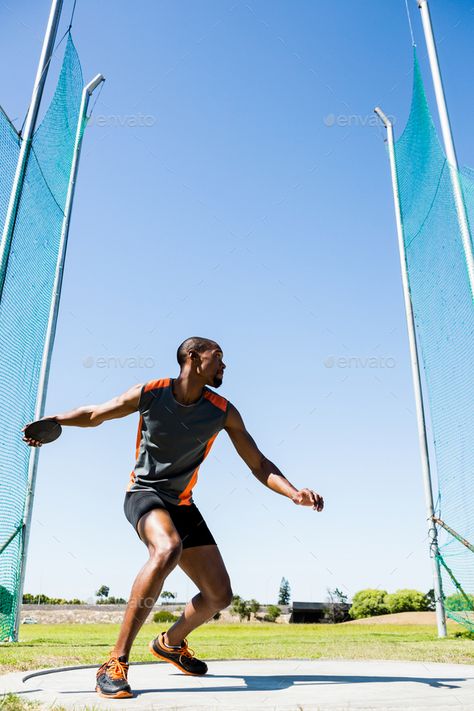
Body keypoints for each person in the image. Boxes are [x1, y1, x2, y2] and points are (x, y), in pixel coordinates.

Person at [22, 336, 324, 699]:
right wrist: (56, 420)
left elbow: (258, 463)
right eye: (219, 358)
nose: (224, 366)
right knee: (167, 549)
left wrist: (294, 492)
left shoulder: (222, 410)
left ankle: (169, 643)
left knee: (219, 595)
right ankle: (115, 662)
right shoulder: (151, 393)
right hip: (144, 494)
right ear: (194, 358)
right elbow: (96, 414)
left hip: (181, 504)